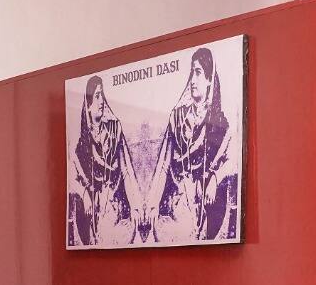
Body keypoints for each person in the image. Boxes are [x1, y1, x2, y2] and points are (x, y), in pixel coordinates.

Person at [141, 47, 239, 243]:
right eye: (192, 73)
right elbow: (163, 164)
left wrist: (215, 177)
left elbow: (233, 160)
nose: (193, 80)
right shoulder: (177, 117)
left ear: (209, 79)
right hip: (179, 204)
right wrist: (152, 201)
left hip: (207, 204)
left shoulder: (220, 123)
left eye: (198, 73)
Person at [67, 75, 141, 247]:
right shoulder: (81, 143)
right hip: (92, 211)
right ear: (88, 104)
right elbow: (72, 178)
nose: (101, 101)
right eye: (97, 96)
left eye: (102, 95)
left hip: (114, 208)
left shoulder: (114, 129)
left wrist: (135, 205)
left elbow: (126, 169)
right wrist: (85, 194)